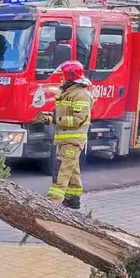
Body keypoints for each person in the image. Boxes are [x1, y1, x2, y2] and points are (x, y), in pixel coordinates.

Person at [35, 60, 92, 210]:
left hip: (72, 141)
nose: (60, 78)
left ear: (70, 77)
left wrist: (54, 120)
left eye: (63, 76)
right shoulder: (68, 93)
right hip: (65, 141)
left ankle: (52, 205)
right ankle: (72, 201)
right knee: (72, 171)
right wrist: (48, 117)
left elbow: (78, 120)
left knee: (61, 171)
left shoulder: (81, 95)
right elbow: (61, 114)